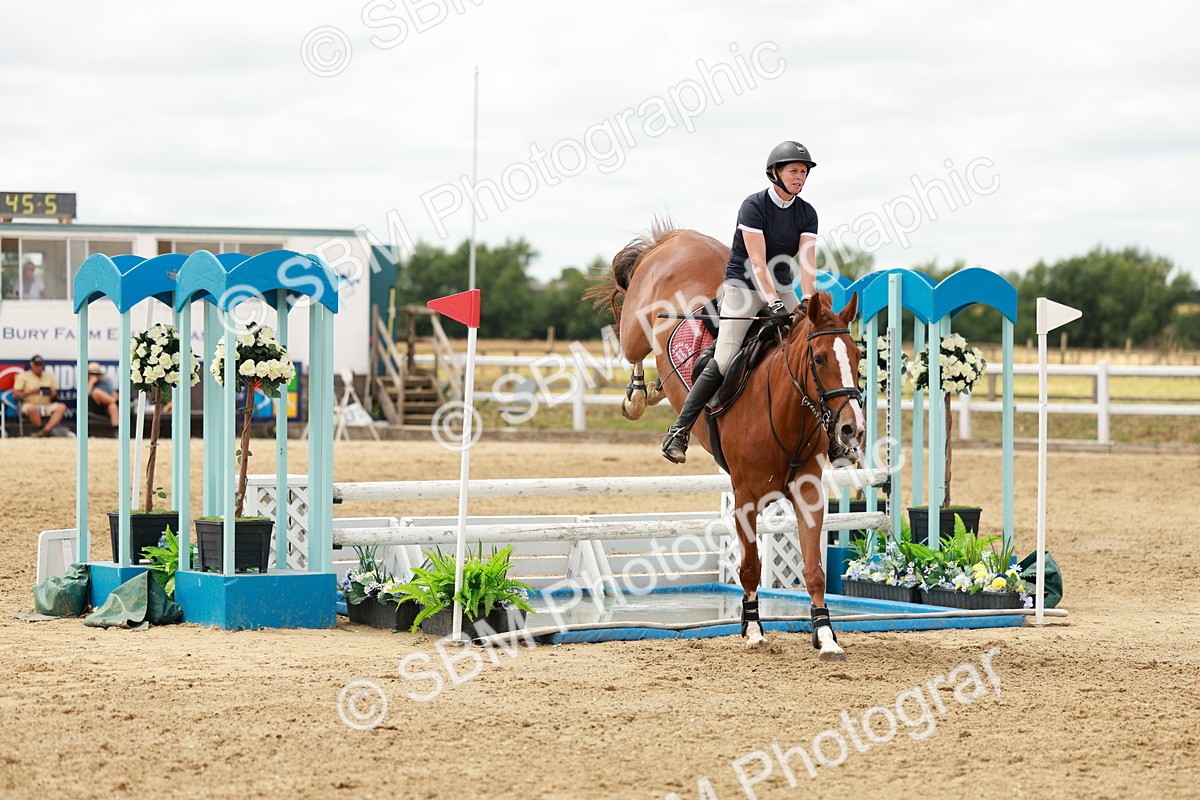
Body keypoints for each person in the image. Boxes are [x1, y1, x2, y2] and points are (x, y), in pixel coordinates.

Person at [662, 140, 820, 464]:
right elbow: (757, 263)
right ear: (775, 173)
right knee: (723, 358)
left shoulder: (807, 213)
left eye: (803, 172)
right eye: (794, 171)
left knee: (813, 343)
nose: (799, 177)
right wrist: (774, 303)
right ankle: (678, 432)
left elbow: (807, 264)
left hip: (781, 286)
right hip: (743, 287)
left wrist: (806, 300)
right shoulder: (754, 206)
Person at [12, 355, 68, 437]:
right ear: (31, 364)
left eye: (40, 364)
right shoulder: (23, 376)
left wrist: (51, 393)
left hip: (46, 405)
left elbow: (54, 393)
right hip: (29, 404)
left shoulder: (49, 376)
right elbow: (15, 395)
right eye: (36, 364)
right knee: (31, 408)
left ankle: (46, 430)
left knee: (62, 407)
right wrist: (31, 392)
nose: (38, 367)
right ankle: (40, 428)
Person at [86, 362, 119, 426]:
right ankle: (114, 402)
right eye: (92, 373)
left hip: (105, 406)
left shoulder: (105, 381)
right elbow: (85, 395)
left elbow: (115, 395)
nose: (94, 376)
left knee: (113, 406)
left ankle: (116, 429)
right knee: (96, 392)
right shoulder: (84, 381)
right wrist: (91, 382)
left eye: (96, 374)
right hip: (93, 406)